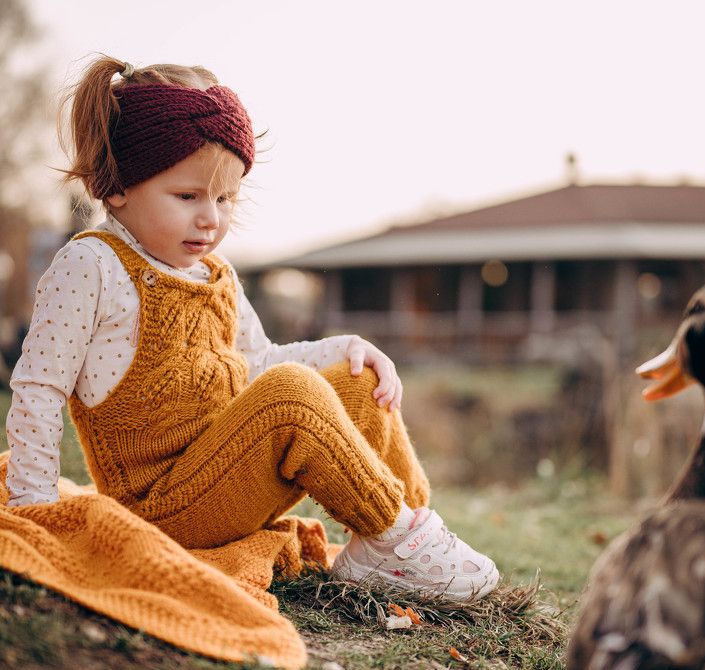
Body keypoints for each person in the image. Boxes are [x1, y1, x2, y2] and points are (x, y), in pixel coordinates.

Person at [3, 55, 499, 601]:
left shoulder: (217, 275)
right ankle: (400, 539)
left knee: (358, 381)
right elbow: (39, 386)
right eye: (188, 196)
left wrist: (345, 348)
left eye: (225, 198)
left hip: (227, 477)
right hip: (161, 506)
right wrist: (34, 506)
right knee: (291, 396)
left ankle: (399, 538)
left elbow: (259, 361)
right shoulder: (94, 265)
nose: (210, 217)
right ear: (117, 185)